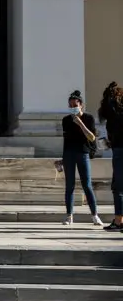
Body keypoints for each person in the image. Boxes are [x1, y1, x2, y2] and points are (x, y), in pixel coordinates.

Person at [60, 90, 103, 226]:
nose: (73, 108)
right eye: (70, 105)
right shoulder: (66, 120)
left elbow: (91, 137)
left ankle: (95, 215)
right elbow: (66, 140)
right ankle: (69, 216)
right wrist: (62, 159)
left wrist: (80, 123)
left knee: (87, 185)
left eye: (75, 105)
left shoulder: (89, 118)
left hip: (83, 153)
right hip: (69, 154)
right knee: (70, 186)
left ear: (81, 105)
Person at [98, 82, 123, 231]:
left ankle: (119, 220)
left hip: (119, 150)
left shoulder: (112, 115)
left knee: (118, 187)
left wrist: (109, 142)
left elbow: (114, 136)